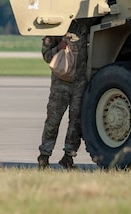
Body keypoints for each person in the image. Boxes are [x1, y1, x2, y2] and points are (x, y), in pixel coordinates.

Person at [37, 18, 93, 169]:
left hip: (80, 82)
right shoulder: (58, 26)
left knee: (77, 121)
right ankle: (44, 156)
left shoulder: (88, 24)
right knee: (53, 120)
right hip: (61, 84)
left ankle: (68, 156)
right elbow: (47, 56)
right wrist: (58, 48)